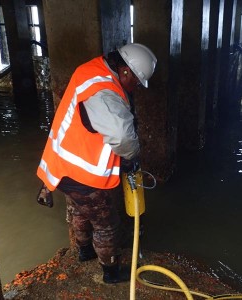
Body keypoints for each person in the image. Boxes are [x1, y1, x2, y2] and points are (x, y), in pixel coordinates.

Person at [36, 43, 157, 284]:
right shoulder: (104, 92)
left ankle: (84, 252)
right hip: (84, 173)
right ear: (125, 71)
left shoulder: (91, 70)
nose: (136, 89)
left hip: (63, 166)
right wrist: (132, 157)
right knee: (107, 224)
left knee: (80, 211)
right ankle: (111, 272)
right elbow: (121, 136)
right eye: (136, 82)